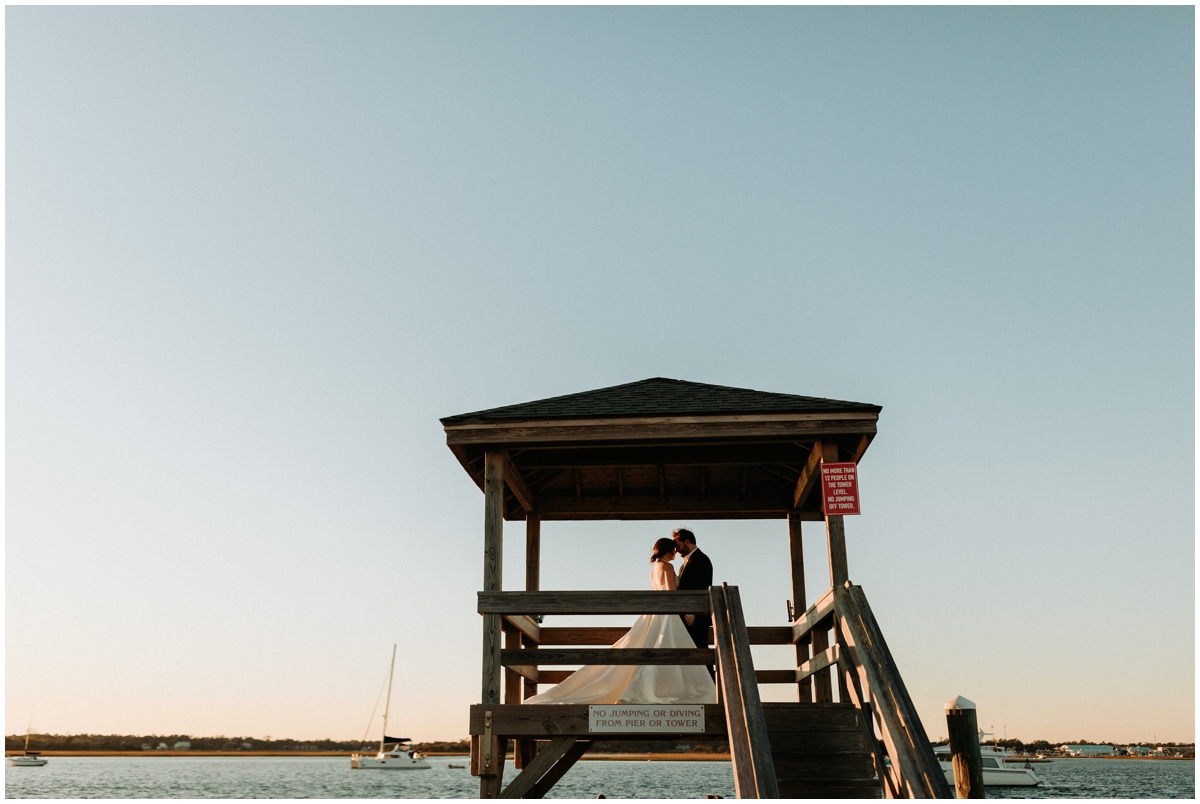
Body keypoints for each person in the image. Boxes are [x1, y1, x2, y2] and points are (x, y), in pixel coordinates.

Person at [522, 537, 716, 705]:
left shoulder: (654, 569)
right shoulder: (668, 566)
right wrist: (686, 611)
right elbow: (672, 594)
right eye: (673, 551)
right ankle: (661, 690)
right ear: (668, 551)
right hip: (669, 615)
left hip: (655, 613)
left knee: (653, 650)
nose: (676, 554)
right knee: (669, 651)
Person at [672, 528, 714, 679]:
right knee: (690, 653)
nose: (676, 550)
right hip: (687, 617)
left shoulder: (701, 560)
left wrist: (691, 612)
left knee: (701, 652)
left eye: (678, 545)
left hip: (697, 617)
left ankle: (711, 689)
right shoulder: (685, 564)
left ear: (687, 541)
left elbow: (699, 588)